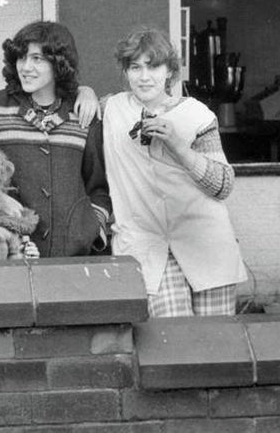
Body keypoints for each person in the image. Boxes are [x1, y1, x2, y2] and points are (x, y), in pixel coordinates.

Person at [102, 25, 247, 317]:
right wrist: (83, 93)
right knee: (172, 341)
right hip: (147, 244)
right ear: (125, 72)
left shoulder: (197, 114)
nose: (144, 77)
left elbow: (222, 185)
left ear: (169, 71)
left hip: (205, 243)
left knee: (215, 343)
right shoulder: (111, 109)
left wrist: (179, 147)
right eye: (135, 67)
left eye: (153, 67)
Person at [0, 21, 111, 257]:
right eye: (21, 58)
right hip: (6, 250)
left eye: (37, 59)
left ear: (59, 63)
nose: (26, 67)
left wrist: (92, 231)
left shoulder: (83, 112)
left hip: (73, 255)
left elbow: (98, 186)